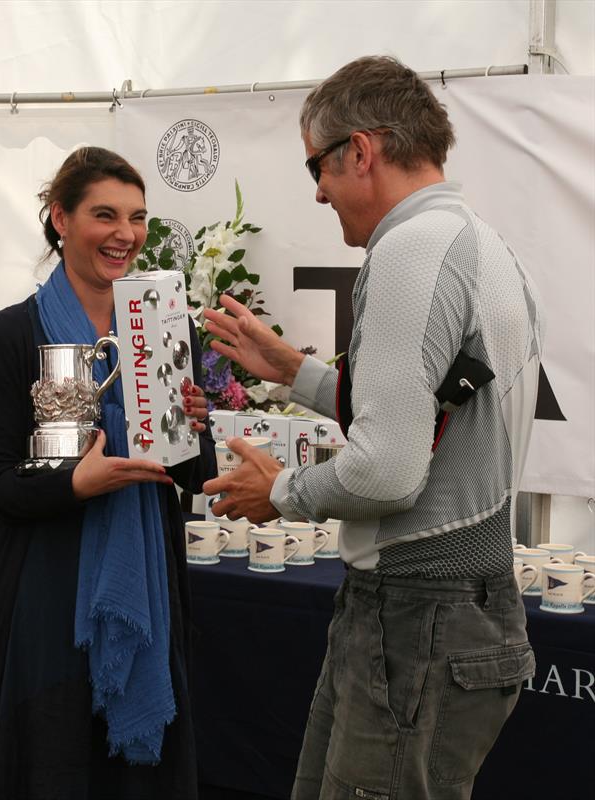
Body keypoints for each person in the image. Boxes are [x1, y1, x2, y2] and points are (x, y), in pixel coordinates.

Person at [203, 56, 543, 800]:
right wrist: (298, 374)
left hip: (416, 618)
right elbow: (436, 417)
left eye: (315, 166)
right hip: (448, 608)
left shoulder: (410, 250)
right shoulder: (476, 241)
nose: (317, 190)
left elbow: (388, 470)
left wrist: (282, 489)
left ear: (360, 150)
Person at [0, 146, 216, 800]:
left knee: (138, 778)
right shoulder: (13, 335)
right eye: (104, 214)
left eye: (136, 217)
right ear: (60, 219)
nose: (125, 234)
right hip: (47, 591)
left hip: (145, 583)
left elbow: (190, 473)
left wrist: (194, 424)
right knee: (53, 762)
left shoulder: (165, 328)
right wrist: (79, 483)